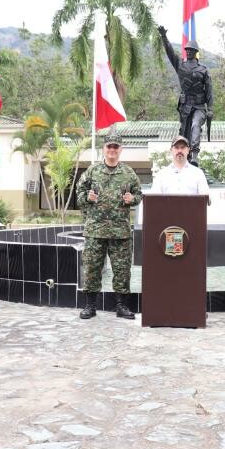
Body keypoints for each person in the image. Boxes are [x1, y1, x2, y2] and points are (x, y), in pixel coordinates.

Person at [75, 134, 143, 320]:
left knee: (122, 270)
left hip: (120, 231)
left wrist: (132, 199)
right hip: (95, 230)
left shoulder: (128, 172)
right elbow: (79, 193)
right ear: (103, 149)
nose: (112, 150)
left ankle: (121, 306)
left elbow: (139, 194)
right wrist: (87, 197)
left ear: (120, 149)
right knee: (92, 269)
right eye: (109, 147)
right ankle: (90, 306)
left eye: (115, 147)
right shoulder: (92, 171)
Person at [156, 25, 213, 167]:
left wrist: (210, 109)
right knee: (184, 133)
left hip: (199, 106)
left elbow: (209, 90)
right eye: (187, 50)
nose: (188, 52)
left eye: (191, 50)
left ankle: (195, 155)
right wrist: (164, 37)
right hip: (185, 106)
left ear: (196, 52)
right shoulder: (180, 65)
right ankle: (185, 157)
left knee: (195, 125)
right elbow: (170, 52)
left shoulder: (203, 69)